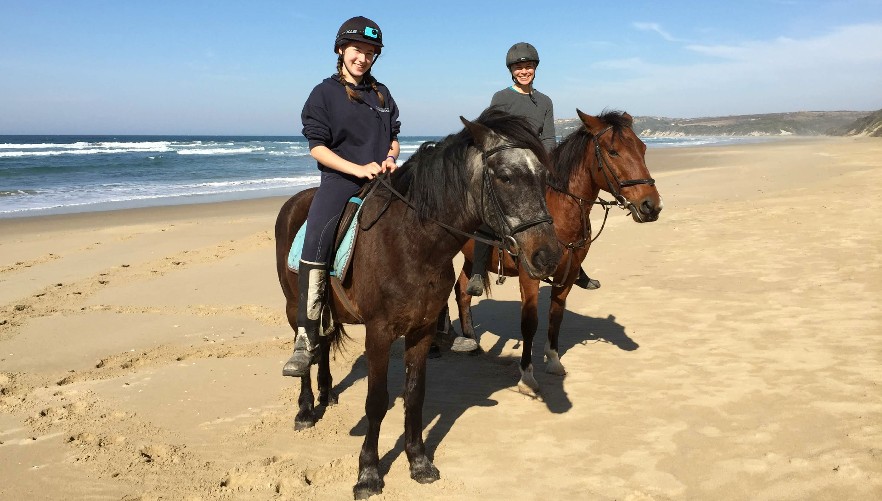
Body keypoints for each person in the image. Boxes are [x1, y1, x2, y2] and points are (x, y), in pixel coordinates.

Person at [283, 16, 401, 377]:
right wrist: (356, 169)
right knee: (317, 233)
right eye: (356, 51)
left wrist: (391, 158)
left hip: (382, 180)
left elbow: (394, 136)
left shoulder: (382, 94)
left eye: (369, 53)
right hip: (340, 181)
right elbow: (317, 148)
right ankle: (306, 334)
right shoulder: (324, 93)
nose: (362, 58)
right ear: (341, 50)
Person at [465, 42, 599, 297]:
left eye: (528, 67)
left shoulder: (545, 101)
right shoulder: (501, 98)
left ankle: (575, 266)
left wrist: (547, 163)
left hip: (536, 165)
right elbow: (490, 129)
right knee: (490, 211)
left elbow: (548, 137)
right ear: (511, 71)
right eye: (519, 67)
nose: (523, 71)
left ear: (535, 69)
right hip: (510, 164)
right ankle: (478, 271)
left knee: (565, 209)